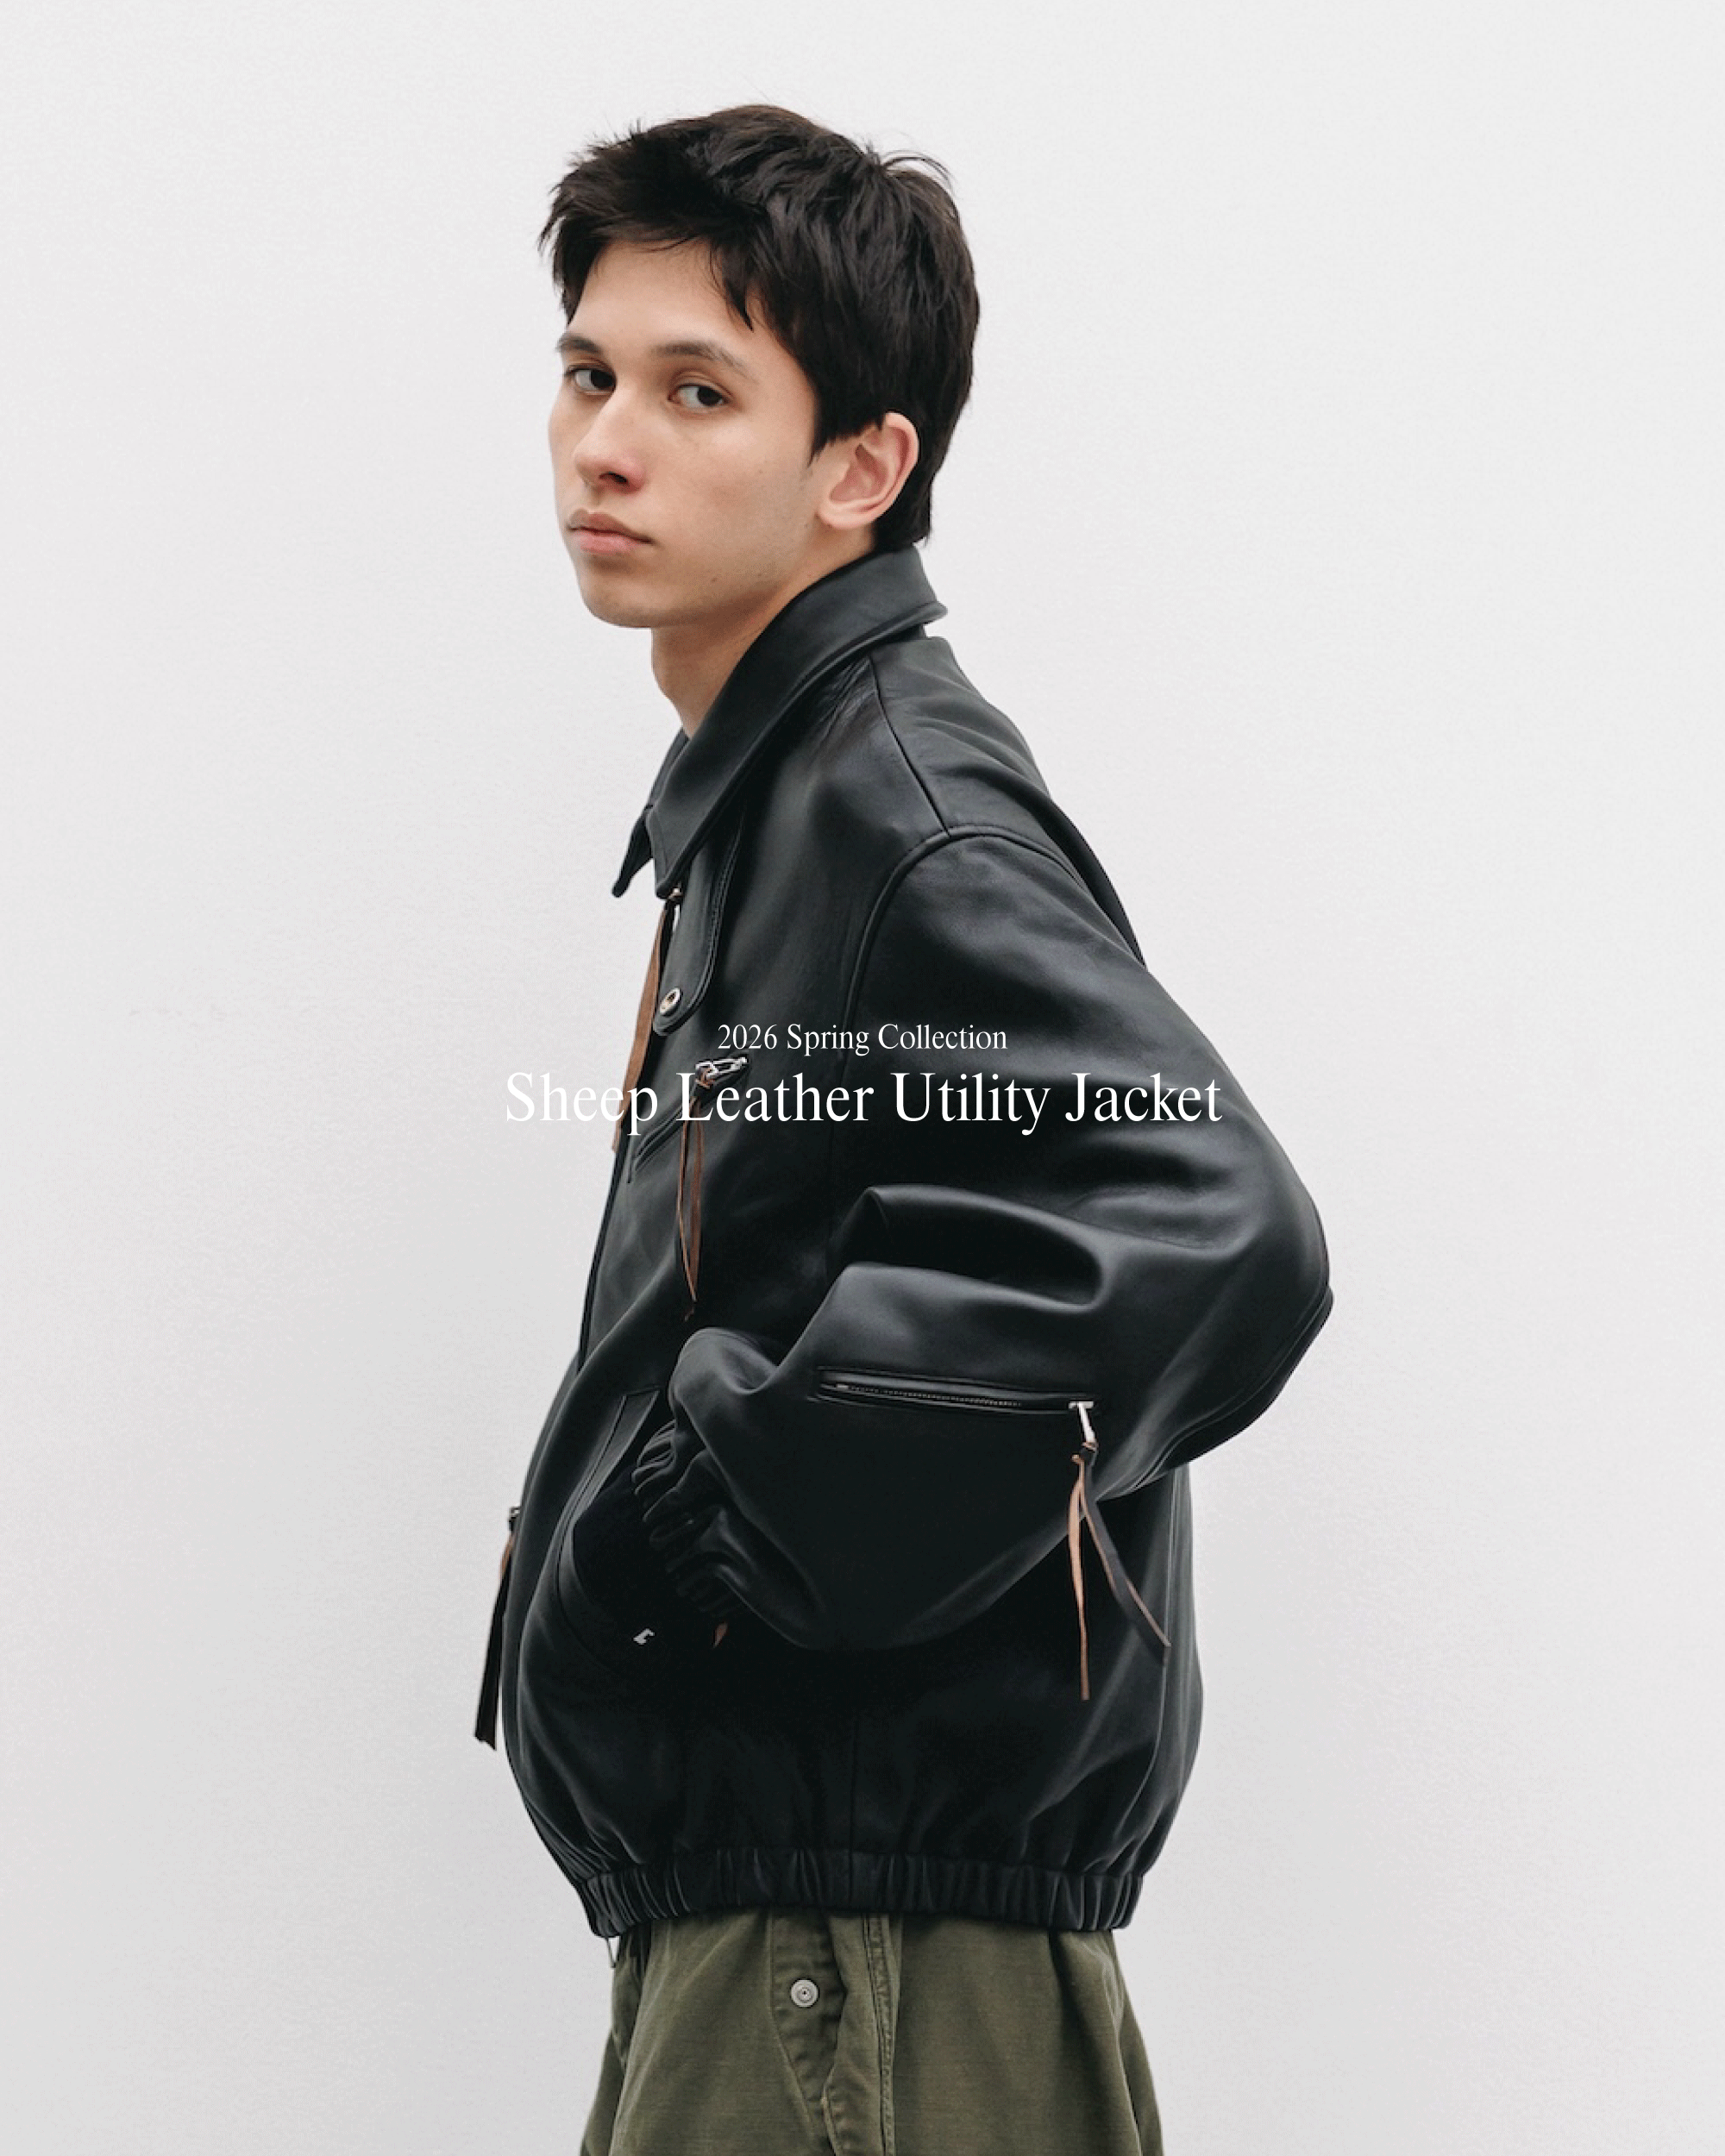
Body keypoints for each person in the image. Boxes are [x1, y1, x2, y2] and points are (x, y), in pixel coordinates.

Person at [476, 104, 1333, 2156]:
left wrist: (726, 1502)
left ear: (863, 465)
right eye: (589, 375)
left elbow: (1214, 1217)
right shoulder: (782, 802)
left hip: (852, 1974)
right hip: (805, 1947)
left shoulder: (891, 809)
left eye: (697, 391)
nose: (606, 445)